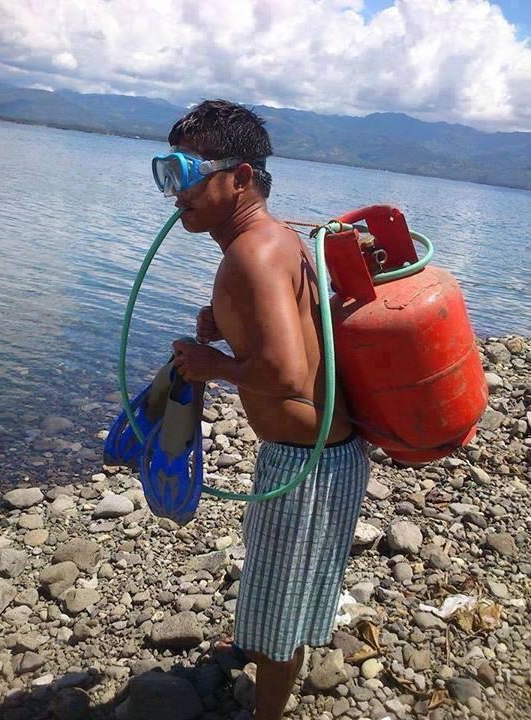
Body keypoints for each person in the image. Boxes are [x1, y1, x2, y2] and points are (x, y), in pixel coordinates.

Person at [159, 100, 370, 720]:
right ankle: (260, 644)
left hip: (307, 466)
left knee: (282, 614)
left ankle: (267, 712)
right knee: (284, 585)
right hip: (324, 454)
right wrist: (226, 332)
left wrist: (209, 365)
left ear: (240, 178)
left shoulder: (249, 255)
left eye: (185, 170)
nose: (176, 192)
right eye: (165, 173)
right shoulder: (279, 240)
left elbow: (282, 373)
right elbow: (301, 336)